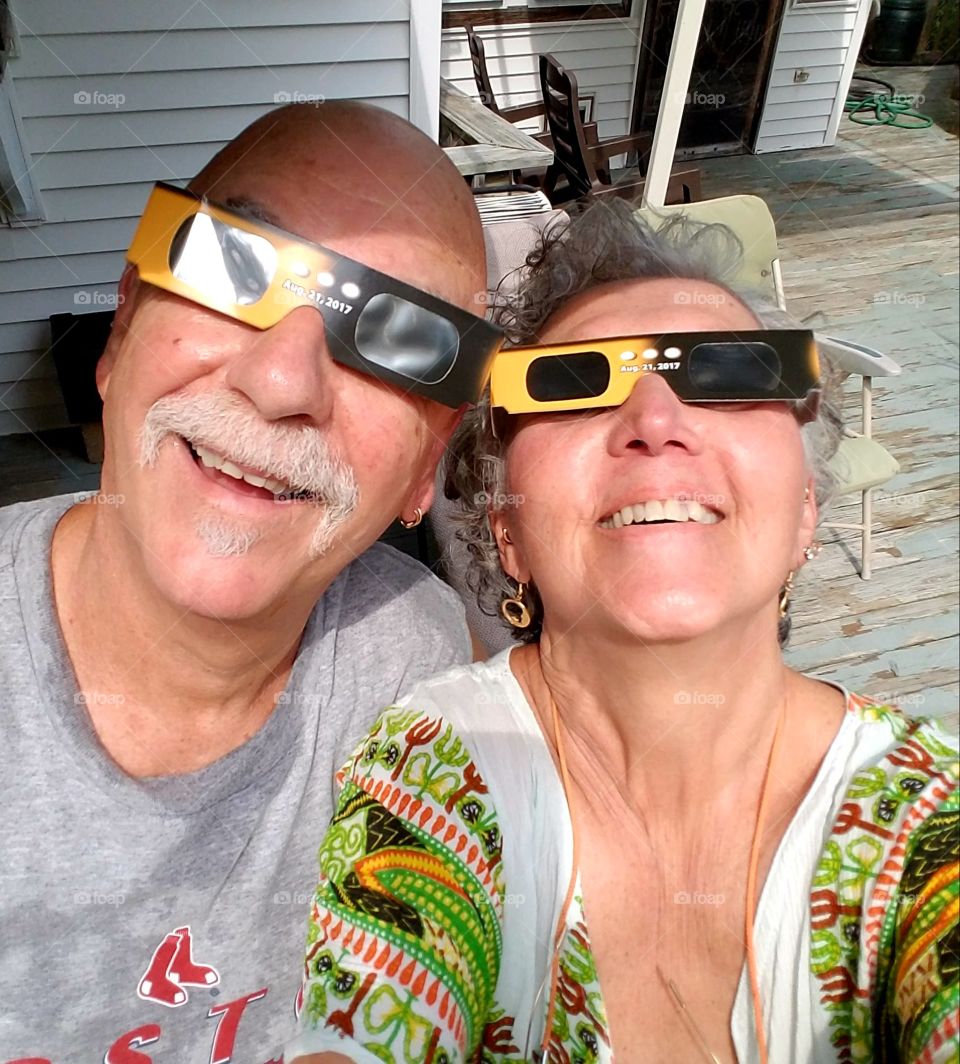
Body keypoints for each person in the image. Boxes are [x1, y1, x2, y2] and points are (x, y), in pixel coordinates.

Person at [288, 203, 959, 1063]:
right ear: (507, 531)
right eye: (571, 383)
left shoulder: (923, 813)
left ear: (804, 511)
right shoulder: (440, 772)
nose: (654, 418)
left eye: (728, 374)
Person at [0, 102, 503, 1062]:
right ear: (122, 327)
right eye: (235, 269)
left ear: (422, 470)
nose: (281, 380)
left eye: (397, 338)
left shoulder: (423, 679)